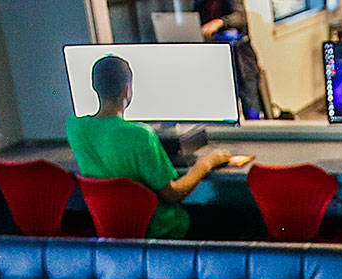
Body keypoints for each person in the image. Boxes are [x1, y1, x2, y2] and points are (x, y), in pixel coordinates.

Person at [66, 53, 240, 240]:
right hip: (159, 230)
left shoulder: (75, 127)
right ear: (127, 90)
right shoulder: (140, 135)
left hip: (113, 231)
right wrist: (207, 163)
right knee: (237, 218)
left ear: (95, 87)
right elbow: (173, 194)